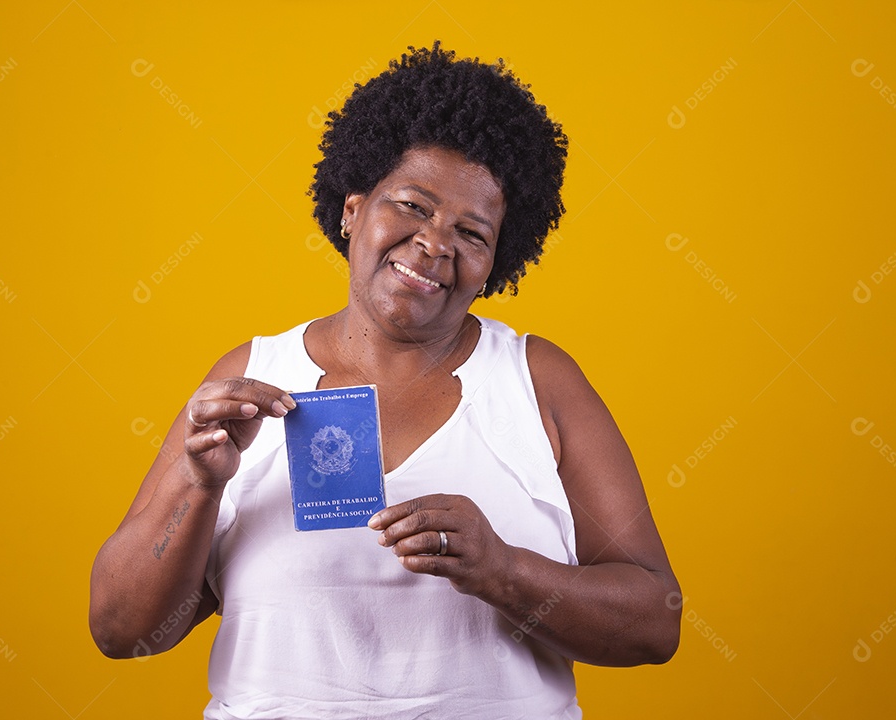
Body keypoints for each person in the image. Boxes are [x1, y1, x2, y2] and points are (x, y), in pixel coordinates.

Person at [90, 42, 680, 719]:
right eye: (411, 205)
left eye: (473, 233)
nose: (434, 244)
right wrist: (198, 487)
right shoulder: (252, 377)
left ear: (496, 263)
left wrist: (505, 572)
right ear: (352, 210)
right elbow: (122, 631)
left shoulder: (537, 382)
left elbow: (655, 622)